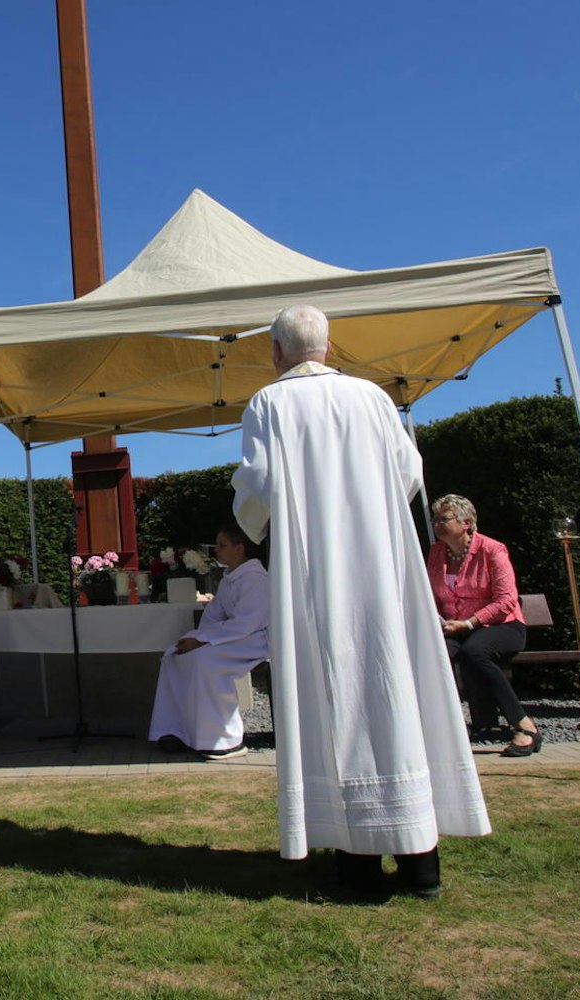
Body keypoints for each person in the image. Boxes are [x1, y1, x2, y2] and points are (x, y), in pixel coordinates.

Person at [230, 303, 490, 901]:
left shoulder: (268, 404)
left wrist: (267, 517)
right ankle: (421, 864)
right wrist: (368, 509)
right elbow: (407, 471)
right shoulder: (371, 398)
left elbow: (258, 488)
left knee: (337, 695)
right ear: (328, 345)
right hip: (379, 565)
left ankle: (359, 869)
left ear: (275, 351)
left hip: (317, 570)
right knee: (394, 685)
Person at [425, 495, 540, 756]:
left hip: (500, 626)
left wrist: (469, 622)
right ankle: (448, 727)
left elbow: (507, 600)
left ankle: (523, 724)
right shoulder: (436, 553)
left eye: (444, 519)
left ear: (466, 522)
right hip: (457, 627)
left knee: (474, 652)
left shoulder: (492, 549)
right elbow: (431, 593)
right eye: (435, 520)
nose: (437, 525)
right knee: (433, 652)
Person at [147, 525, 269, 761]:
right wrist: (196, 638)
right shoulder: (229, 579)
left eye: (222, 545)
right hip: (234, 638)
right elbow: (214, 615)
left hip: (256, 639)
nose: (217, 550)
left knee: (206, 661)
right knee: (175, 655)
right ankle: (177, 730)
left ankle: (225, 740)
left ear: (239, 548)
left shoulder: (255, 579)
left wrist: (203, 641)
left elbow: (246, 623)